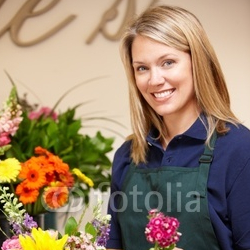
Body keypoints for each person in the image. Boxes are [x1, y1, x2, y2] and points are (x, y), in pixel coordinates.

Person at [106, 4, 250, 250]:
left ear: (198, 63)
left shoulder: (239, 149)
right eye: (142, 68)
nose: (154, 80)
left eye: (168, 62)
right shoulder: (128, 155)